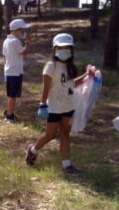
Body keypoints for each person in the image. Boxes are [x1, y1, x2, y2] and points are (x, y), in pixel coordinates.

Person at [25, 33, 94, 174]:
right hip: (54, 107)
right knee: (49, 135)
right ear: (54, 48)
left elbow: (72, 84)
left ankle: (67, 164)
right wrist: (42, 103)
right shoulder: (51, 66)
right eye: (62, 47)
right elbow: (46, 87)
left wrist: (87, 75)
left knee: (65, 133)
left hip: (68, 105)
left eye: (68, 47)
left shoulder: (69, 66)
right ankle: (32, 150)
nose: (65, 50)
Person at [2, 18, 31, 123]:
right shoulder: (15, 41)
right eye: (21, 30)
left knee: (10, 94)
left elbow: (5, 57)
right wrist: (27, 42)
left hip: (9, 70)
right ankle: (9, 116)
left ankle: (8, 111)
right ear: (16, 30)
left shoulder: (6, 40)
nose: (22, 32)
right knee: (12, 95)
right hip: (15, 72)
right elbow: (24, 52)